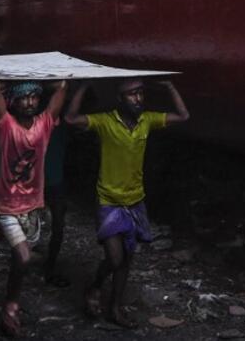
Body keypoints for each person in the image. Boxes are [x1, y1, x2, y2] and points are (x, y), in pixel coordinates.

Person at [63, 78, 190, 328]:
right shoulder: (105, 121)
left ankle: (115, 308)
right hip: (109, 201)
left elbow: (183, 116)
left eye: (141, 93)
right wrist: (84, 87)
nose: (138, 99)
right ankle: (95, 286)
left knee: (127, 260)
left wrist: (170, 87)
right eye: (132, 94)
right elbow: (70, 119)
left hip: (135, 201)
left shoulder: (147, 120)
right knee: (115, 258)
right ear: (120, 99)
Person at [0, 78, 68, 336]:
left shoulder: (44, 125)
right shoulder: (6, 126)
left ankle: (11, 298)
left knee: (20, 259)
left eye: (34, 97)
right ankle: (10, 306)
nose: (29, 102)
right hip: (7, 206)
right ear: (13, 102)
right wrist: (2, 83)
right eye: (23, 98)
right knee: (24, 257)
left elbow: (62, 88)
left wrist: (46, 81)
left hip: (33, 206)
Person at [41, 119, 71, 288]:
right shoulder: (34, 122)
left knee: (58, 227)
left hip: (54, 182)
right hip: (39, 182)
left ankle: (50, 267)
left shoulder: (62, 125)